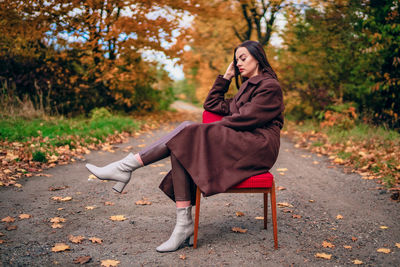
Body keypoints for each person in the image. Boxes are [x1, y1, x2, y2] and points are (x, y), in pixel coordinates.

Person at [85, 40, 284, 253]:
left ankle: (125, 168)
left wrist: (205, 132)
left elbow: (247, 119)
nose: (238, 64)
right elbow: (212, 105)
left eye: (243, 58)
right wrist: (226, 77)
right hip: (242, 141)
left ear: (258, 57)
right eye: (236, 60)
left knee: (189, 132)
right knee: (184, 142)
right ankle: (183, 223)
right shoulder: (246, 87)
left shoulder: (269, 86)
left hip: (258, 146)